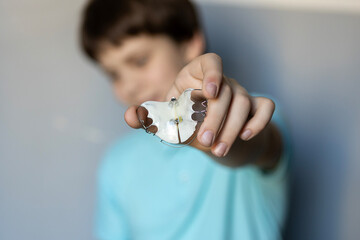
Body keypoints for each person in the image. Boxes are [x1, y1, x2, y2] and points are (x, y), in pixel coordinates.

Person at [80, 0, 290, 239]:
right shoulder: (117, 164)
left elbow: (255, 146)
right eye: (113, 74)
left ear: (190, 43)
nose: (128, 86)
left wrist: (216, 127)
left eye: (140, 61)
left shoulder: (255, 113)